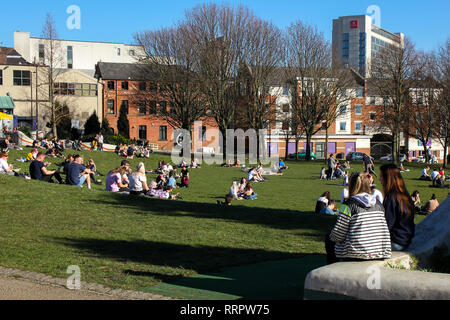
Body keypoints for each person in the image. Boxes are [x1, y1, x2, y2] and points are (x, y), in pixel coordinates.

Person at [325, 172, 391, 264]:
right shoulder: (379, 204)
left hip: (357, 253)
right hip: (380, 251)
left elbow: (339, 234)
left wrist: (332, 236)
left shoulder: (348, 205)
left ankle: (332, 272)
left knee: (329, 238)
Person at [380, 164, 415, 251]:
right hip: (406, 239)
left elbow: (387, 225)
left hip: (396, 241)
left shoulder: (391, 197)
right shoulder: (404, 195)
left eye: (381, 176)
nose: (379, 179)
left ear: (387, 178)